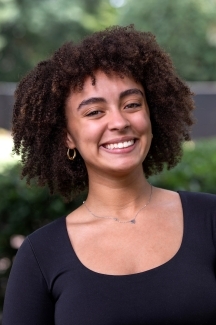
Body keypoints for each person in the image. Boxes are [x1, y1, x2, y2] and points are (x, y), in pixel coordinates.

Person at [2, 25, 216, 325]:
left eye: (131, 104)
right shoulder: (40, 255)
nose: (119, 122)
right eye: (94, 112)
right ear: (67, 136)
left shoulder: (210, 218)